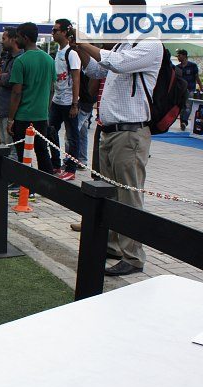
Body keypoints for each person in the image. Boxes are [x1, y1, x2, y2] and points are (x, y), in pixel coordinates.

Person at [72, 0, 163, 276]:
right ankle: (113, 245)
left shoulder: (150, 43)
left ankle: (133, 257)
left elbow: (117, 64)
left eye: (117, 13)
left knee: (129, 196)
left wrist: (85, 43)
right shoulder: (125, 43)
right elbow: (97, 70)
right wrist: (81, 49)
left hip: (130, 133)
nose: (112, 18)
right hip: (111, 131)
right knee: (111, 193)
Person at [7, 22, 55, 179]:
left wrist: (10, 119)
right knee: (42, 152)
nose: (16, 40)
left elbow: (16, 93)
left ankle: (27, 186)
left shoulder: (20, 61)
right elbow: (52, 89)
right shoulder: (49, 60)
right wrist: (45, 110)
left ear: (25, 38)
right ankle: (48, 185)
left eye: (18, 37)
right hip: (41, 116)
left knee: (23, 155)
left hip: (23, 117)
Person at [48, 18, 81, 181]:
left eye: (55, 30)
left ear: (64, 32)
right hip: (57, 101)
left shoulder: (71, 54)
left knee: (72, 136)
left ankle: (71, 169)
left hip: (68, 102)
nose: (53, 33)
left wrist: (75, 104)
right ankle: (55, 163)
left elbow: (76, 79)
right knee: (51, 131)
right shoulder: (58, 53)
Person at [0, 27, 23, 147]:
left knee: (9, 147)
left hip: (10, 111)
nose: (2, 41)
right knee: (2, 144)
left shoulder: (19, 59)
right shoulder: (7, 57)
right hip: (2, 108)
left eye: (4, 38)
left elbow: (10, 79)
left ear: (13, 39)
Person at [176, 49, 203, 131]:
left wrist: (201, 87)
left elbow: (197, 77)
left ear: (184, 56)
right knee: (181, 107)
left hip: (190, 89)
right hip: (180, 91)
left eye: (179, 55)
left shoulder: (193, 66)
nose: (178, 57)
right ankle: (182, 123)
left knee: (188, 106)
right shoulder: (177, 67)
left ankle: (184, 122)